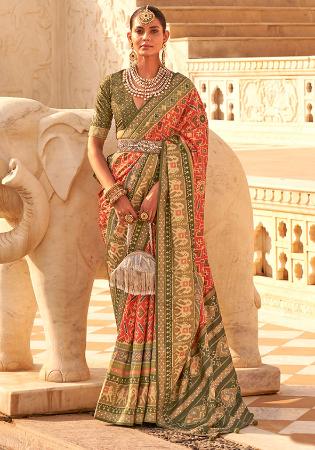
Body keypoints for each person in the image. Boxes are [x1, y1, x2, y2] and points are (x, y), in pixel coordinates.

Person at [87, 4, 256, 440]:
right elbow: (94, 144)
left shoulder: (182, 90)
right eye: (139, 30)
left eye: (154, 30)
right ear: (129, 37)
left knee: (167, 292)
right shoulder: (111, 86)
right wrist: (116, 193)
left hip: (167, 201)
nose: (146, 37)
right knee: (130, 294)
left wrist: (160, 194)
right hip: (119, 204)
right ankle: (131, 396)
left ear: (166, 36)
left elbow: (192, 149)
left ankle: (167, 396)